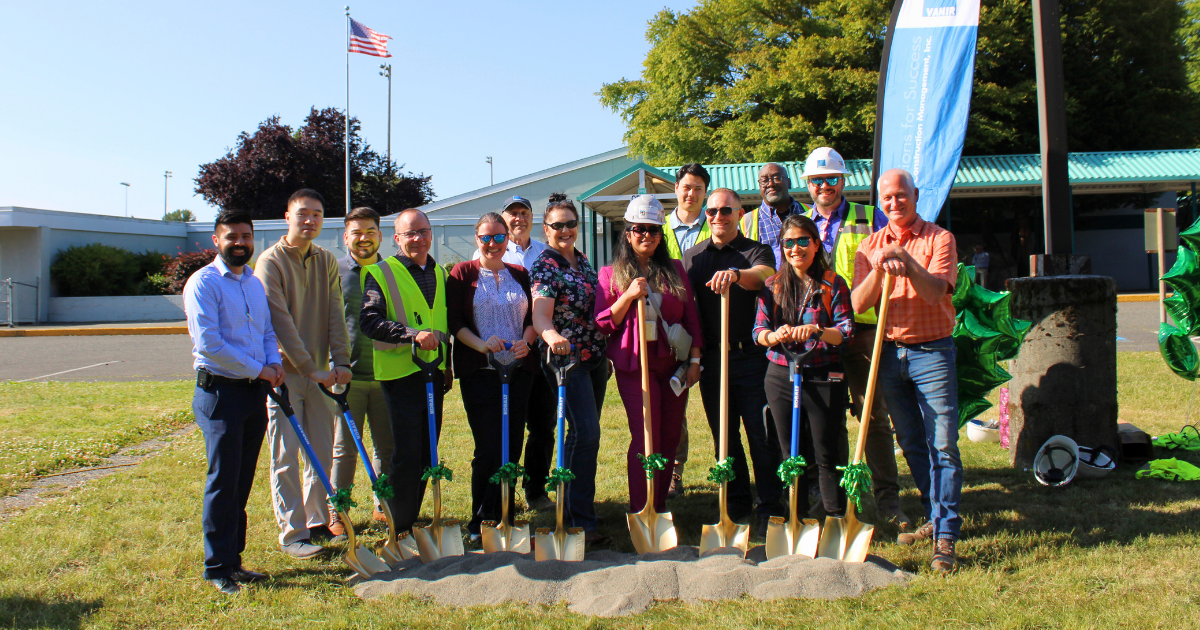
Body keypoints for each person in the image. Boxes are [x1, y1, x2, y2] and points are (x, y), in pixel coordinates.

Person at [851, 169, 962, 573]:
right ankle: (934, 513)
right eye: (887, 198)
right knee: (912, 442)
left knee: (944, 443)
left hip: (932, 351)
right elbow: (859, 304)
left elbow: (935, 292)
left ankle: (946, 534)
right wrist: (881, 268)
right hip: (890, 352)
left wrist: (908, 264)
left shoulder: (939, 239)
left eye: (901, 195)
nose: (894, 203)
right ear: (879, 202)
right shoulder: (869, 246)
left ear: (915, 195)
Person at [798, 147, 910, 528]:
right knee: (822, 419)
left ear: (843, 181)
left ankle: (888, 501)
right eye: (817, 180)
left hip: (861, 333)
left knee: (872, 417)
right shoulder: (801, 224)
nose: (825, 186)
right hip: (817, 337)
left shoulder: (870, 217)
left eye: (831, 179)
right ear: (808, 185)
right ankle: (832, 497)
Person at [184, 209, 285, 595]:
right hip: (220, 393)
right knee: (223, 482)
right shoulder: (203, 283)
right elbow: (210, 345)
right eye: (232, 237)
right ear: (216, 240)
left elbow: (265, 329)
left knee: (241, 482)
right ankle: (216, 568)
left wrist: (272, 362)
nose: (240, 243)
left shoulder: (252, 284)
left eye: (246, 236)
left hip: (252, 391)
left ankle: (234, 561)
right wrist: (259, 369)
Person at [256, 189, 352, 559]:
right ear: (287, 217)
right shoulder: (270, 262)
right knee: (286, 453)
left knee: (321, 452)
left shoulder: (325, 259)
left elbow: (334, 314)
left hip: (322, 374)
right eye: (303, 214)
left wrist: (340, 362)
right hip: (285, 375)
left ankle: (316, 522)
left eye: (317, 214)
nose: (310, 220)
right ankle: (292, 533)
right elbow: (280, 322)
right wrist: (311, 369)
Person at [682, 187, 782, 537]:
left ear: (740, 214)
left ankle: (772, 504)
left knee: (761, 434)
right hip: (713, 358)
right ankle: (736, 503)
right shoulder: (693, 258)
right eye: (711, 212)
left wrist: (737, 275)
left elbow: (765, 276)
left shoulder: (756, 250)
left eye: (726, 211)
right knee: (724, 436)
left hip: (751, 357)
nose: (718, 217)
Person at [595, 195, 703, 514]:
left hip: (671, 367)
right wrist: (627, 296)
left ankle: (658, 505)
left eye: (654, 230)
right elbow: (603, 323)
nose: (647, 236)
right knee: (645, 438)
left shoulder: (676, 271)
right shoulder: (610, 274)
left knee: (669, 438)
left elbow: (691, 317)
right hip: (635, 367)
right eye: (640, 229)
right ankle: (641, 508)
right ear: (628, 233)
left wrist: (695, 360)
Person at [753, 214, 855, 518]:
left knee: (826, 451)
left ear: (815, 244)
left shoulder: (833, 284)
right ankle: (795, 517)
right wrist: (774, 335)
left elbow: (846, 332)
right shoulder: (772, 286)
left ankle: (834, 515)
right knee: (789, 453)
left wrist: (817, 331)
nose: (795, 248)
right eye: (788, 242)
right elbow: (758, 332)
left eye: (802, 241)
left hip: (823, 374)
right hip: (781, 374)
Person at [359, 208, 454, 535]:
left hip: (433, 373)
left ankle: (413, 518)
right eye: (410, 233)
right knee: (407, 452)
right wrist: (412, 335)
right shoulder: (381, 272)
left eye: (423, 231)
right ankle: (399, 523)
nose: (418, 239)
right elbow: (369, 321)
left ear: (431, 234)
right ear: (397, 238)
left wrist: (448, 366)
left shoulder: (440, 273)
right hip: (400, 375)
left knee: (429, 450)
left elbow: (442, 324)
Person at [448, 212, 538, 540]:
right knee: (488, 446)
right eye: (485, 237)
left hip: (518, 371)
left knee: (512, 445)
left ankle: (505, 515)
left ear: (507, 239)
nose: (492, 244)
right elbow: (454, 322)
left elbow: (533, 316)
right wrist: (482, 345)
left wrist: (527, 344)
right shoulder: (463, 273)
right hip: (481, 372)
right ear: (477, 239)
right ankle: (480, 519)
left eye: (499, 237)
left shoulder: (520, 274)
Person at [530, 192, 608, 543]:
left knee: (584, 436)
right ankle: (579, 521)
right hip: (567, 361)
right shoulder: (545, 266)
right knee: (585, 434)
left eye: (570, 224)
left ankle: (579, 511)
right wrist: (550, 335)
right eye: (557, 225)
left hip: (594, 359)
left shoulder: (583, 260)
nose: (565, 230)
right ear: (546, 230)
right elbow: (540, 314)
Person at [471, 196, 556, 514]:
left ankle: (536, 490)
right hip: (499, 361)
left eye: (524, 213)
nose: (519, 218)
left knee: (542, 425)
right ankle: (496, 502)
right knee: (502, 434)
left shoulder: (545, 253)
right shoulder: (486, 253)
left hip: (541, 351)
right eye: (513, 214)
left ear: (533, 218)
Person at [332, 207, 395, 524]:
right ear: (346, 237)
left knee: (386, 449)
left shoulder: (393, 271)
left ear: (380, 236)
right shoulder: (335, 272)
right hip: (348, 377)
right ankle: (338, 511)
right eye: (356, 232)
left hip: (386, 375)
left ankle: (383, 504)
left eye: (370, 231)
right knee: (345, 450)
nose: (364, 238)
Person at [662, 163, 711, 497]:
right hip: (670, 328)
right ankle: (673, 471)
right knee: (673, 403)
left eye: (697, 188)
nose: (691, 193)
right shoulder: (658, 227)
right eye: (685, 186)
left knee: (719, 403)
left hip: (711, 322)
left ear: (705, 192)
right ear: (676, 188)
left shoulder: (717, 221)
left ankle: (728, 471)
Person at [739, 163, 805, 268]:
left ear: (789, 183)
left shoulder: (811, 212)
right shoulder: (745, 222)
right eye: (764, 180)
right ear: (760, 186)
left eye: (776, 178)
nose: (770, 184)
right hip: (766, 283)